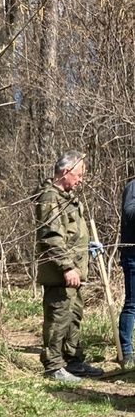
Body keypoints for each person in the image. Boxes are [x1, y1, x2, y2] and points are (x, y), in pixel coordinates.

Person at [34, 150, 104, 383]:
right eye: (79, 174)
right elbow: (51, 236)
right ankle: (53, 366)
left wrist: (87, 247)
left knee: (73, 317)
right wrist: (66, 267)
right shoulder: (50, 198)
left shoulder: (68, 198)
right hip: (60, 274)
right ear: (65, 172)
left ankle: (72, 360)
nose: (81, 180)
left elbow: (71, 234)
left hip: (75, 272)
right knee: (58, 318)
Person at [118, 176, 135, 369]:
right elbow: (129, 212)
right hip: (132, 255)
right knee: (132, 304)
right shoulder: (132, 187)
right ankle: (126, 351)